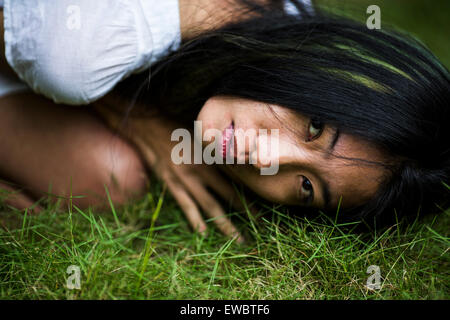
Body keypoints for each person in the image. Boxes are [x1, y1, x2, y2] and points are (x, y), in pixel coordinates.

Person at [0, 0, 448, 239]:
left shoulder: (286, 27)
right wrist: (136, 117)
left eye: (307, 187)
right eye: (315, 126)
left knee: (110, 180)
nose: (264, 160)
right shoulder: (77, 53)